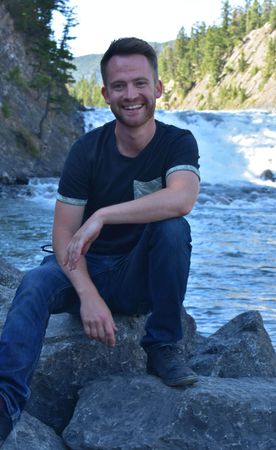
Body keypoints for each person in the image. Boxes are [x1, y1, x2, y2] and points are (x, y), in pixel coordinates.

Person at [0, 37, 200, 443]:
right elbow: (62, 233)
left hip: (135, 276)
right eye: (120, 87)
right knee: (35, 282)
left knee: (172, 228)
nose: (131, 95)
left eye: (140, 84)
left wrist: (104, 215)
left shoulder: (177, 142)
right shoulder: (87, 150)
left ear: (158, 88)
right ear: (106, 93)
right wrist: (87, 294)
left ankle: (162, 346)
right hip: (84, 267)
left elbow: (182, 199)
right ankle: (5, 403)